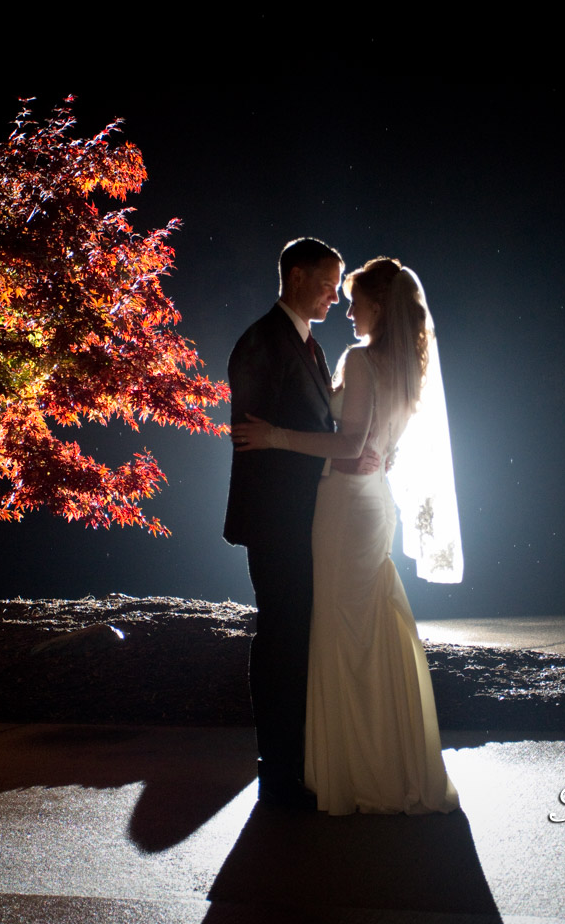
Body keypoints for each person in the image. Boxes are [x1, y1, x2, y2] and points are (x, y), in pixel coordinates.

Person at [233, 257, 463, 815]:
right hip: (370, 503)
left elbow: (351, 445)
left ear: (379, 308)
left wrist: (275, 437)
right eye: (339, 292)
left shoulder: (360, 360)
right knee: (370, 627)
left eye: (354, 298)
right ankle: (386, 757)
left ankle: (351, 767)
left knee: (341, 633)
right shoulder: (406, 366)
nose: (346, 306)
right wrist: (375, 454)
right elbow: (380, 443)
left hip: (344, 508)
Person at [223, 237, 347, 807]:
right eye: (329, 283)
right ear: (297, 277)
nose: (336, 295)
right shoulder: (261, 343)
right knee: (280, 636)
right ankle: (276, 772)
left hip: (306, 519)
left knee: (294, 635)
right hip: (277, 520)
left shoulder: (311, 348)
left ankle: (292, 762)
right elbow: (256, 439)